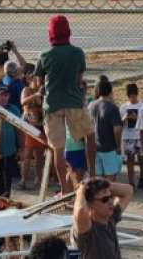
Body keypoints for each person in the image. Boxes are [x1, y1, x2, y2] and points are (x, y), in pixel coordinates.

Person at [35, 15, 95, 194]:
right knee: (89, 136)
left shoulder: (45, 55)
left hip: (52, 106)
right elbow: (79, 79)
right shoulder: (78, 53)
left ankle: (64, 189)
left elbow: (40, 83)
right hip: (74, 102)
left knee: (58, 150)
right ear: (68, 31)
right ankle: (92, 176)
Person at [71, 177, 133, 259]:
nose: (111, 202)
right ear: (90, 204)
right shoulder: (87, 229)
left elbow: (128, 191)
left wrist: (99, 184)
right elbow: (80, 211)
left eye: (111, 196)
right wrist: (81, 191)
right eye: (105, 199)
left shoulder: (110, 217)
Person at [89, 78, 122, 181]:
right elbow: (117, 130)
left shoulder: (91, 106)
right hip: (109, 148)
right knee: (110, 180)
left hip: (94, 147)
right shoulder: (113, 108)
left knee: (99, 180)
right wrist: (118, 146)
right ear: (110, 91)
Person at [19, 73, 45, 190]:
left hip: (40, 124)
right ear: (30, 79)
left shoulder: (42, 89)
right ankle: (23, 179)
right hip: (29, 124)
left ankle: (39, 178)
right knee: (28, 153)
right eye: (37, 79)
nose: (39, 81)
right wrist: (36, 95)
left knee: (39, 154)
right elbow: (23, 102)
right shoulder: (27, 90)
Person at [119, 83, 143, 190]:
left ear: (137, 94)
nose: (132, 98)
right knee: (130, 160)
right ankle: (131, 182)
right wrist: (125, 118)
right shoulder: (123, 107)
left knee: (141, 158)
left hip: (139, 135)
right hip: (128, 136)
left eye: (134, 96)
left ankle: (142, 176)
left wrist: (137, 118)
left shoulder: (142, 106)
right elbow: (119, 124)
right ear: (127, 96)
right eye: (130, 96)